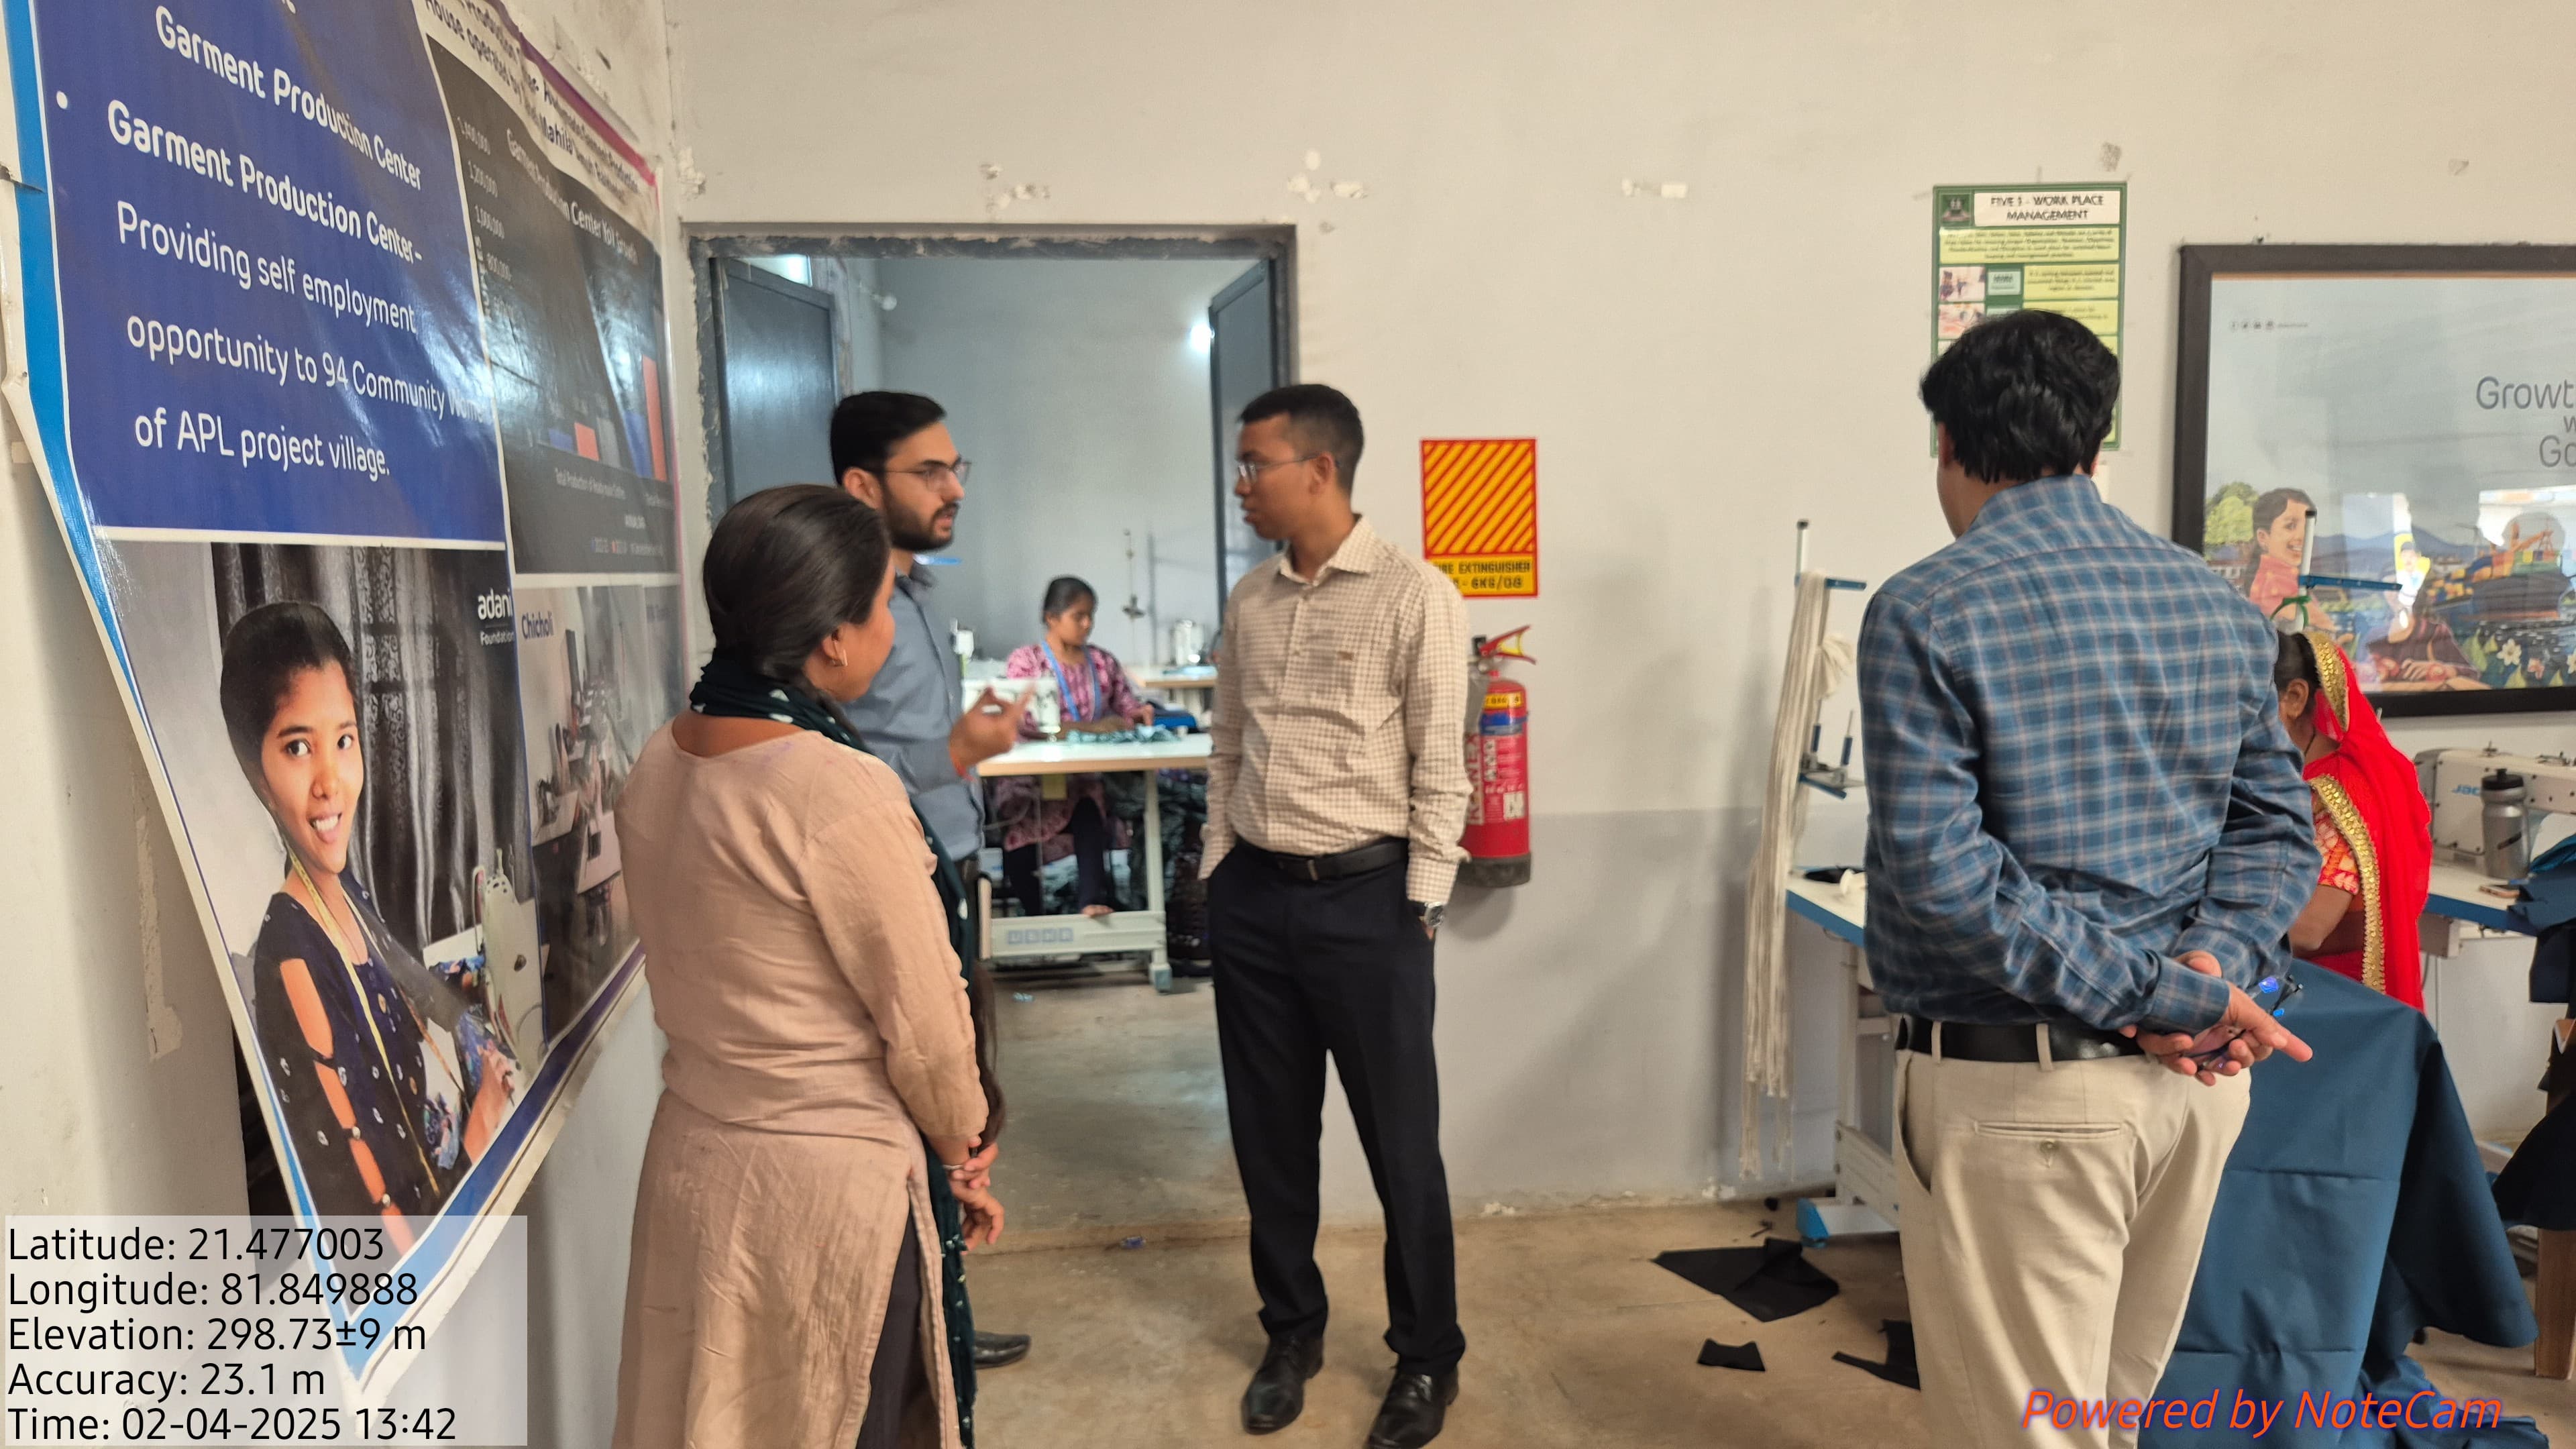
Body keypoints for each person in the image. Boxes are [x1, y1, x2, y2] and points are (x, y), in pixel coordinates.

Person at [1859, 309, 2317, 1449]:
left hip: (2026, 1101)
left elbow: (1947, 881)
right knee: (2104, 1418)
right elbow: (2276, 830)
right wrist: (2207, 970)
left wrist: (2165, 995)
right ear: (2095, 442)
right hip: (2191, 1097)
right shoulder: (2217, 605)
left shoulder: (1925, 608)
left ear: (1951, 446)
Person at [611, 486, 1003, 1449]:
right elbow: (925, 1027)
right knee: (843, 1418)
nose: (889, 632)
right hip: (826, 1196)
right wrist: (961, 1146)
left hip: (696, 1164)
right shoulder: (836, 786)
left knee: (721, 1417)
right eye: (882, 609)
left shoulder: (659, 761)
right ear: (832, 638)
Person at [1203, 384, 1471, 1449]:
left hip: (1370, 902)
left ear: (1319, 469)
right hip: (1255, 899)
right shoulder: (1250, 601)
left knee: (1402, 1147)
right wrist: (1218, 874)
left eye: (1254, 464)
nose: (1241, 484)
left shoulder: (1416, 594)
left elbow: (1441, 765)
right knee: (1270, 1140)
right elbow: (1228, 746)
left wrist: (1423, 905)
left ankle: (1427, 1356)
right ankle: (1292, 1333)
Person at [833, 390, 1036, 1377]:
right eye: (930, 471)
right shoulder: (843, 606)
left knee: (960, 1100)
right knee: (919, 1102)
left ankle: (943, 1312)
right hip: (895, 879)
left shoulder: (915, 590)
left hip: (948, 862)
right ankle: (919, 1334)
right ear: (862, 485)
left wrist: (964, 743)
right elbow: (831, 764)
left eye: (957, 469)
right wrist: (956, 751)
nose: (954, 488)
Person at [221, 601, 519, 1247]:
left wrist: (479, 1033)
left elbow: (418, 987)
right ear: (256, 774)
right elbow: (390, 1247)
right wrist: (478, 1133)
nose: (331, 781)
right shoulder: (295, 961)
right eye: (298, 748)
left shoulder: (345, 894)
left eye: (344, 741)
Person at [2273, 629, 2434, 1010]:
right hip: (2290, 977)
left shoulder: (2336, 792)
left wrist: (2212, 935)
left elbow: (2309, 931)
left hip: (2326, 996)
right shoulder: (2290, 775)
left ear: (2294, 698)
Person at [994, 576, 1155, 918]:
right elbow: (1027, 723)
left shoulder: (1102, 663)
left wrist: (1139, 714)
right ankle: (1034, 915)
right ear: (1051, 618)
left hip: (1083, 777)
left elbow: (1126, 707)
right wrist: (1094, 728)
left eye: (1090, 616)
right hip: (1029, 779)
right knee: (1019, 821)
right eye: (1078, 616)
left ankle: (1090, 903)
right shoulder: (1027, 662)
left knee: (1088, 809)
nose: (1087, 624)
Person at [2248, 486, 2313, 621]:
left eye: (2308, 527)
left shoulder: (2290, 578)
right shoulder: (2274, 584)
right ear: (2263, 537)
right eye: (2290, 526)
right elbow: (2317, 625)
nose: (2302, 536)